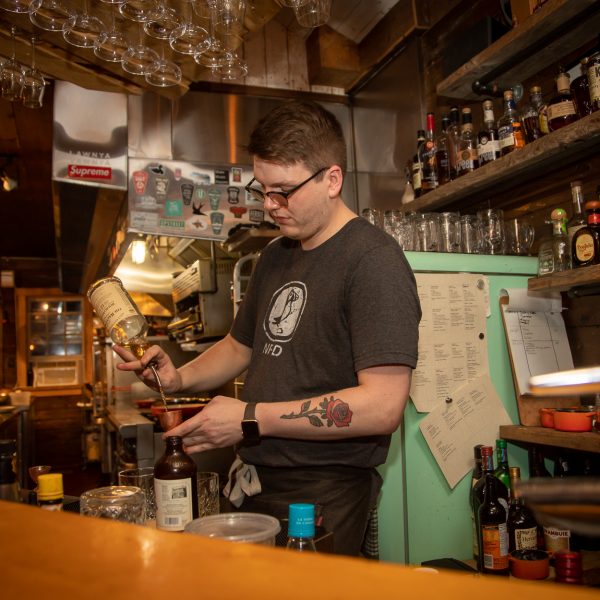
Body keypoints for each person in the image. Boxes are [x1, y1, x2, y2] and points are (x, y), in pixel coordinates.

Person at [115, 99, 421, 556]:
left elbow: (382, 407)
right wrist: (178, 378)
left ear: (332, 179)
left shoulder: (373, 261)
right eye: (263, 189)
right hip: (256, 479)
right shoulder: (276, 256)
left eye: (284, 191)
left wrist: (249, 418)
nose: (270, 205)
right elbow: (240, 347)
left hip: (323, 493)